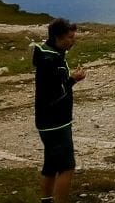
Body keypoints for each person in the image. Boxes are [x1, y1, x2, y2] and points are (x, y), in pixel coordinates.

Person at [32, 18, 86, 203]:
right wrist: (73, 80)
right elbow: (55, 93)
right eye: (70, 37)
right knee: (66, 167)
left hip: (46, 122)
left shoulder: (50, 55)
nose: (73, 41)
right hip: (56, 122)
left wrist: (69, 78)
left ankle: (46, 200)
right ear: (58, 37)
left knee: (51, 165)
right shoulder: (51, 60)